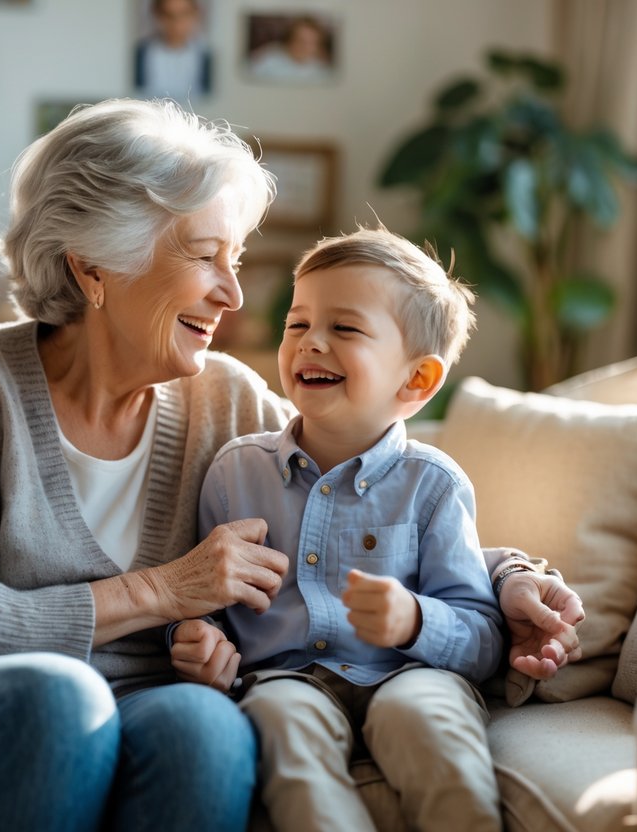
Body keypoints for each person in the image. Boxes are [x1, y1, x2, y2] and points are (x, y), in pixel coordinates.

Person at [0, 97, 582, 831]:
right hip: (10, 695)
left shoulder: (227, 401)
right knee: (60, 698)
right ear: (95, 267)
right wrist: (158, 592)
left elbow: (355, 502)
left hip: (160, 691)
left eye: (232, 260)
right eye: (205, 256)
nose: (233, 293)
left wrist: (507, 579)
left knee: (206, 731)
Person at [176, 227, 510, 830]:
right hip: (285, 678)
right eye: (297, 324)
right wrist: (198, 638)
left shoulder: (433, 483)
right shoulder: (235, 472)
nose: (311, 344)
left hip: (411, 674)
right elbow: (205, 599)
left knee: (426, 720)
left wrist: (413, 618)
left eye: (345, 328)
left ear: (417, 381)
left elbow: (484, 635)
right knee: (281, 721)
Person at [134, 0, 212, 102]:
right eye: (168, 15)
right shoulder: (140, 54)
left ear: (195, 15)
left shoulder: (206, 56)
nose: (176, 22)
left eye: (184, 14)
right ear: (156, 16)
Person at [248, 15, 334, 84]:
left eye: (311, 43)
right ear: (289, 40)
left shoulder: (321, 70)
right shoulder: (267, 59)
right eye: (300, 40)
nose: (304, 47)